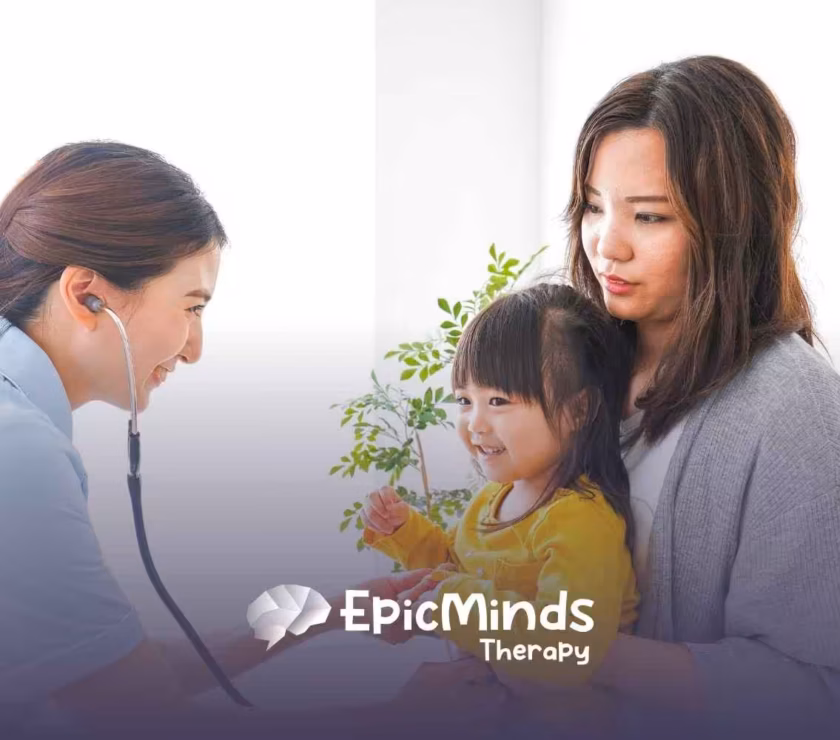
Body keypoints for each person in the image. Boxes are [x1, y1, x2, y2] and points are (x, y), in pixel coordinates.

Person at [0, 142, 494, 739]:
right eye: (192, 308)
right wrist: (403, 718)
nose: (195, 349)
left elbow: (115, 677)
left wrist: (333, 611)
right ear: (86, 297)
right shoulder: (21, 451)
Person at [473, 54, 837, 737]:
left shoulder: (795, 411)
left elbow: (815, 691)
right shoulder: (573, 368)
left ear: (736, 225)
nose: (607, 245)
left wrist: (574, 651)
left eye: (649, 216)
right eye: (592, 206)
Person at [362, 283, 639, 724]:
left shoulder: (582, 519)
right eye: (464, 401)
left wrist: (453, 602)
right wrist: (405, 533)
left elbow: (568, 647)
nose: (474, 423)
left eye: (498, 401)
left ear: (577, 410)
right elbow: (456, 566)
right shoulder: (493, 498)